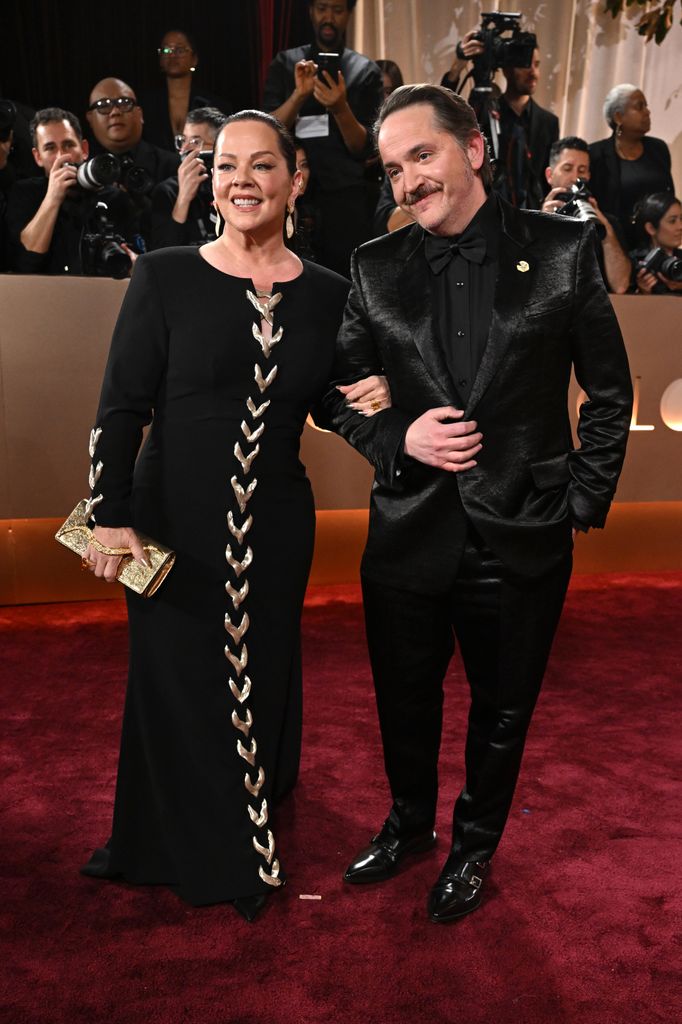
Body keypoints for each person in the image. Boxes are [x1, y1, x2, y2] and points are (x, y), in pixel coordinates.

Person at [320, 84, 632, 923]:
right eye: (392, 168)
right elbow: (335, 394)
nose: (407, 182)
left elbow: (608, 391)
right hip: (408, 529)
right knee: (404, 698)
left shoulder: (565, 250)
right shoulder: (374, 266)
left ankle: (472, 847)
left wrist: (580, 500)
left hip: (525, 531)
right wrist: (399, 440)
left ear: (476, 149)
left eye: (422, 155)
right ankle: (409, 826)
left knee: (502, 711)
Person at [79, 109, 389, 922]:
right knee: (180, 683)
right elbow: (120, 406)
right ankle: (205, 850)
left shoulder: (329, 292)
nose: (240, 180)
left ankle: (256, 804)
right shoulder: (166, 274)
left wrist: (376, 396)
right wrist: (109, 514)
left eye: (260, 165)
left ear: (297, 178)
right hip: (168, 519)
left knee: (262, 674)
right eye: (224, 166)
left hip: (278, 523)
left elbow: (332, 392)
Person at [262, 0, 383, 275]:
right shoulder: (286, 64)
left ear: (349, 14)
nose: (329, 17)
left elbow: (363, 147)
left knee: (345, 279)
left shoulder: (365, 71)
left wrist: (340, 107)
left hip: (343, 197)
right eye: (322, 8)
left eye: (338, 10)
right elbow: (267, 132)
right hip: (289, 194)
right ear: (311, 12)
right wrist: (299, 96)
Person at [5, 107, 138, 275]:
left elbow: (137, 259)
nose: (62, 155)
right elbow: (27, 259)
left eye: (68, 145)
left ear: (84, 149)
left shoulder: (115, 199)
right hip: (45, 295)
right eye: (50, 148)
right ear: (38, 157)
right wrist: (53, 198)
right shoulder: (24, 193)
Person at [541, 136, 631, 294]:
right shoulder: (528, 219)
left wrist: (605, 230)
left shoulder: (608, 223)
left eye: (582, 170)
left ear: (588, 175)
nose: (575, 177)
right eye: (567, 168)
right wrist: (543, 225)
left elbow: (621, 285)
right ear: (550, 175)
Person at [589, 85, 674, 250]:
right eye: (640, 106)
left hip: (655, 243)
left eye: (646, 106)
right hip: (616, 243)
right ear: (619, 117)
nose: (647, 112)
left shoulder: (658, 148)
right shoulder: (595, 154)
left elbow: (668, 196)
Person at [150, 106, 227, 249]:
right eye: (183, 140)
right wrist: (183, 198)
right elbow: (161, 253)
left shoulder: (233, 186)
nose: (185, 149)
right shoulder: (167, 191)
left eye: (195, 142)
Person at [139, 29, 226, 153]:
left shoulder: (214, 104)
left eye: (180, 50)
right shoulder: (146, 103)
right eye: (166, 50)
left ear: (194, 59)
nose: (172, 55)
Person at [630, 192, 682, 295]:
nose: (680, 226)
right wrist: (643, 291)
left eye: (681, 219)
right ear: (651, 228)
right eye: (672, 221)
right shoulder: (634, 261)